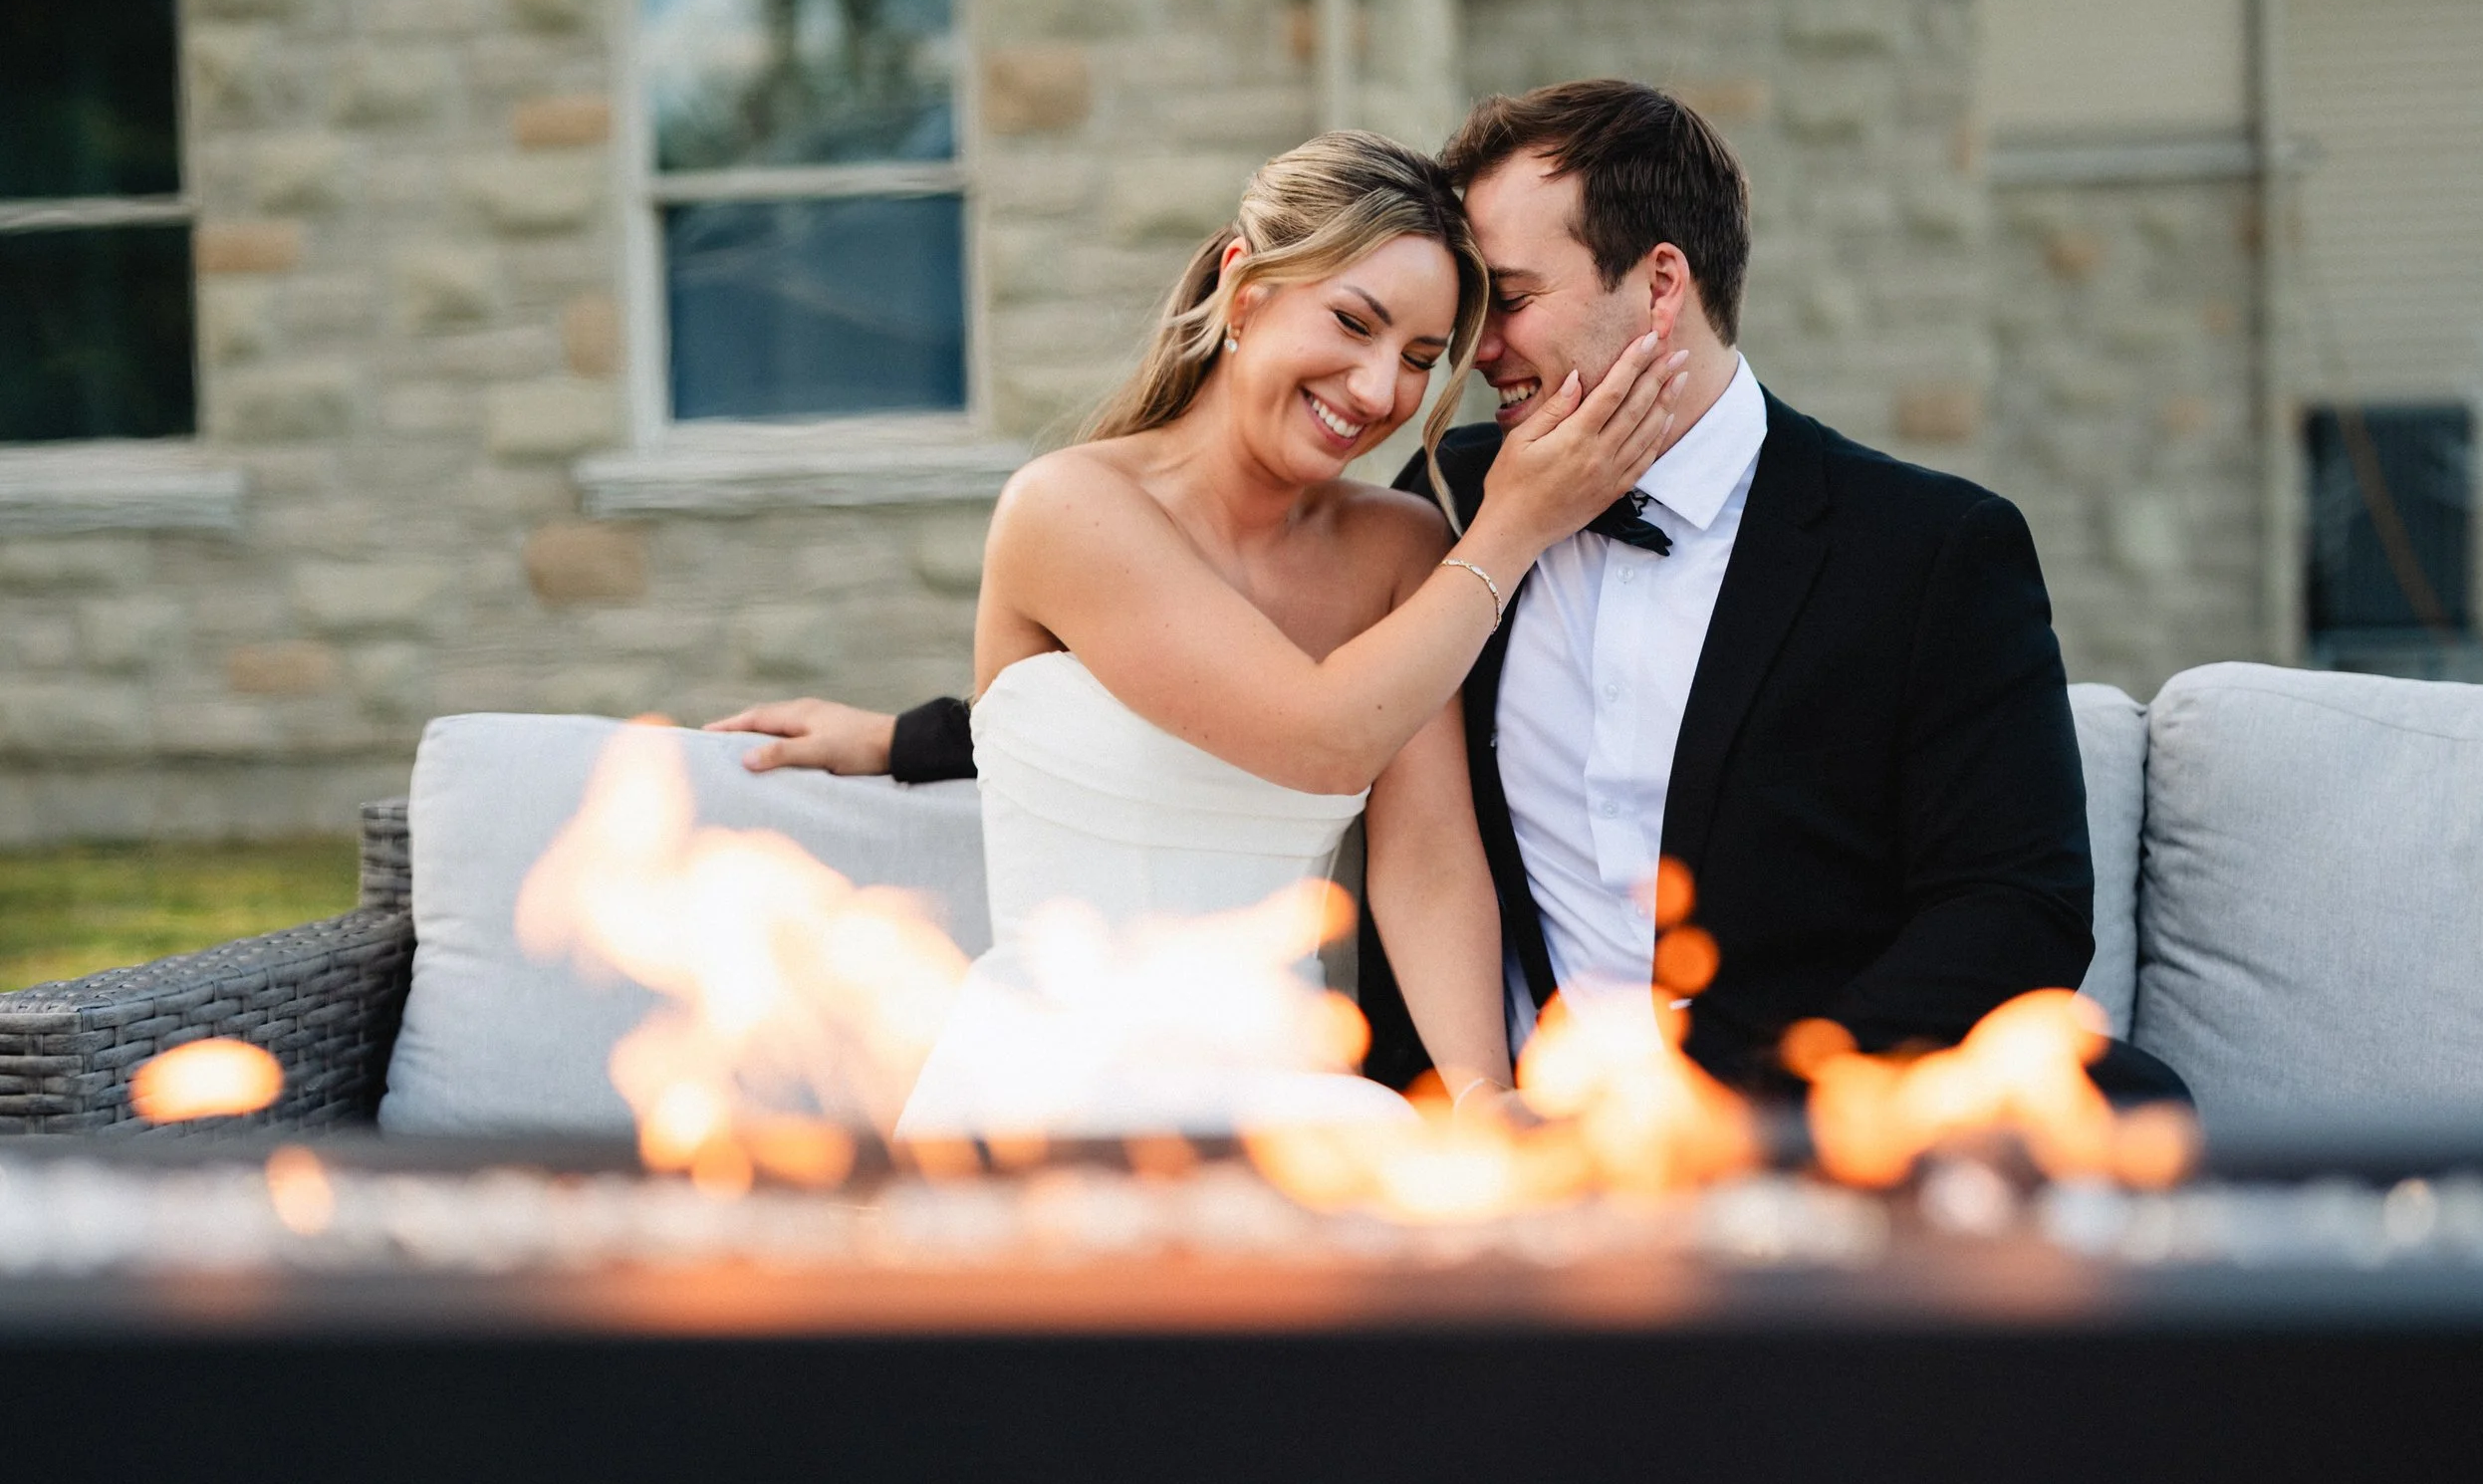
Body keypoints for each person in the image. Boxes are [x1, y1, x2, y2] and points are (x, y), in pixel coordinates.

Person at [714, 83, 2188, 1108]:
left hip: (1779, 1102)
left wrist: (1732, 1111)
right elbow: (1221, 702)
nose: (1439, 374)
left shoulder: (1928, 549)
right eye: (1413, 327)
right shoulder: (1463, 509)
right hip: (1432, 1103)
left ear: (1658, 284)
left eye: (1494, 313)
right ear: (1248, 291)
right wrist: (917, 736)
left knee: (2124, 1106)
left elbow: (2015, 908)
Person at [713, 130, 1687, 1134]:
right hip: (1054, 1089)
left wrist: (1481, 1094)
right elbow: (1315, 736)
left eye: (1418, 359)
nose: (1374, 390)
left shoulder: (1403, 548)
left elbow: (1428, 856)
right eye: (1352, 322)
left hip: (1291, 1096)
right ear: (1245, 285)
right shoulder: (1068, 508)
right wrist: (1517, 524)